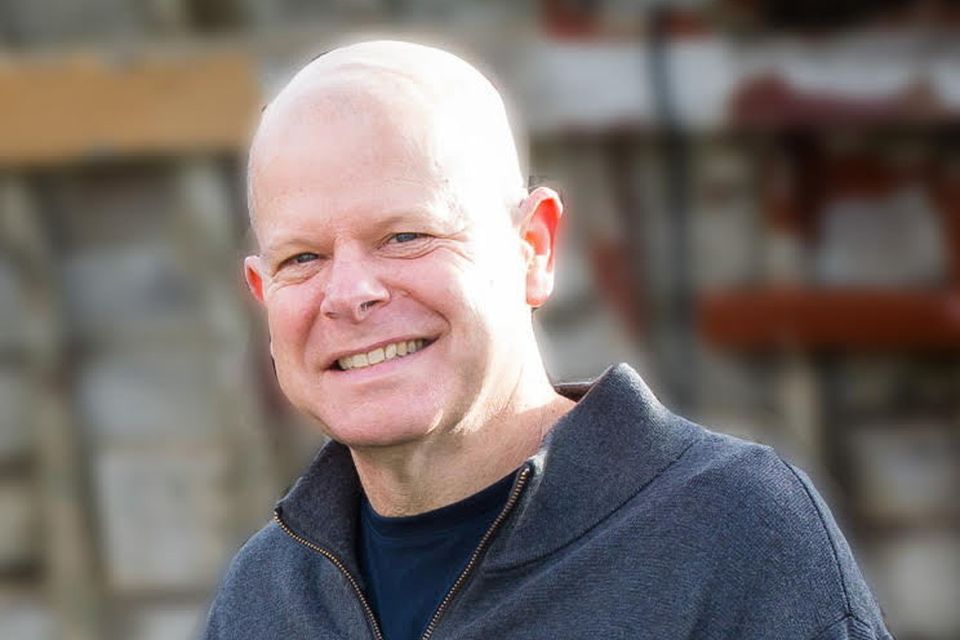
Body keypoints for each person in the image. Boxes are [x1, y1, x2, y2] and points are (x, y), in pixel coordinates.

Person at [202, 40, 893, 640]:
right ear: (264, 297)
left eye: (406, 236)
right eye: (302, 258)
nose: (350, 294)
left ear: (533, 248)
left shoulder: (732, 536)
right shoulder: (264, 597)